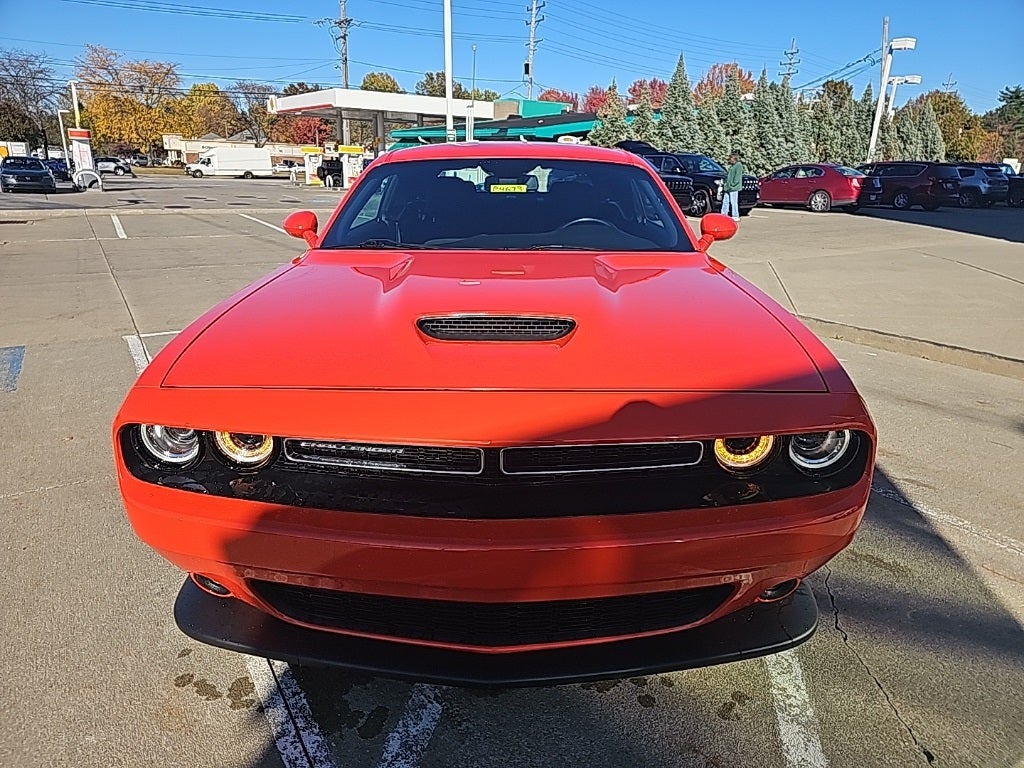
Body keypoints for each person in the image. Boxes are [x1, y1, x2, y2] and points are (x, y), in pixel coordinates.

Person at [721, 152, 746, 221]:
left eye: (730, 158)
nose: (729, 160)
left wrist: (732, 185)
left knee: (733, 202)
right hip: (728, 187)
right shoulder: (732, 166)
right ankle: (723, 214)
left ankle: (735, 215)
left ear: (734, 158)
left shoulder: (738, 165)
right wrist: (726, 185)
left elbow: (737, 178)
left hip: (733, 188)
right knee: (725, 201)